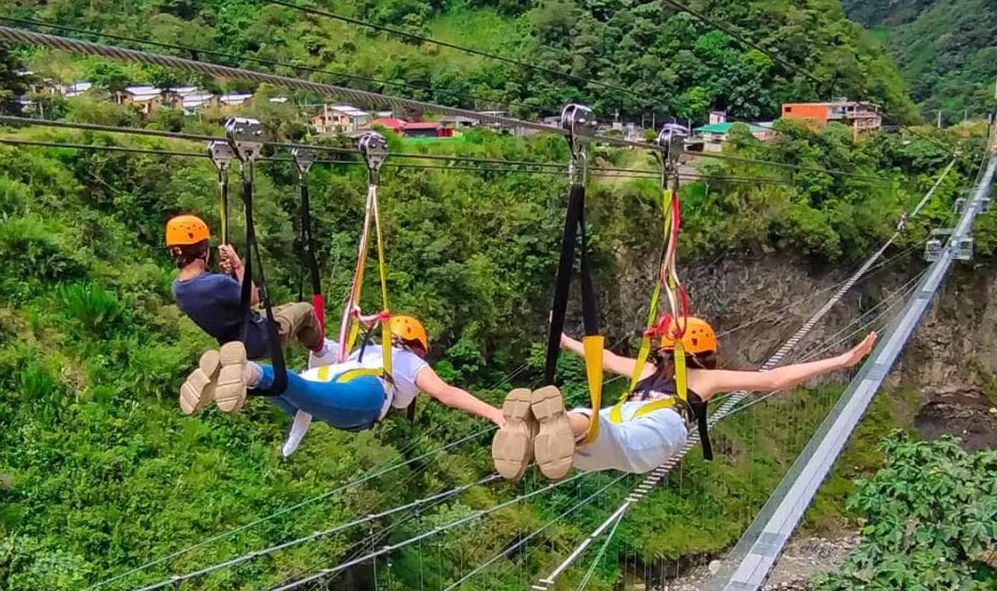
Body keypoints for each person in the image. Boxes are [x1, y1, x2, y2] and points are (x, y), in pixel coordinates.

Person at [167, 215, 509, 456]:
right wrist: (494, 413)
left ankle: (246, 375)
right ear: (417, 348)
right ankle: (247, 373)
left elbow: (328, 349)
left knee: (293, 391)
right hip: (365, 399)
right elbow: (447, 394)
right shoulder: (407, 365)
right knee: (300, 391)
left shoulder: (368, 351)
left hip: (335, 378)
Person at [490, 317, 878, 482]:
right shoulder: (706, 379)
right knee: (602, 433)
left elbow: (602, 359)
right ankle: (542, 432)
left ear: (663, 348)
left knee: (591, 421)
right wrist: (841, 360)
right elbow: (773, 380)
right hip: (654, 428)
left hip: (629, 417)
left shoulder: (646, 371)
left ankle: (537, 427)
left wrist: (564, 339)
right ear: (705, 352)